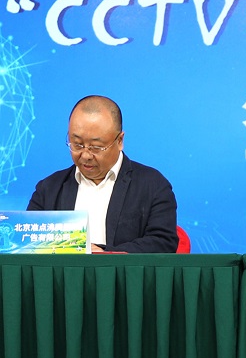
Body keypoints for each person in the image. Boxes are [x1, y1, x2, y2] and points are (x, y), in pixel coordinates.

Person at [26, 95, 179, 253]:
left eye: (96, 147)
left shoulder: (153, 186)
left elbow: (163, 243)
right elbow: (27, 244)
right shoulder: (49, 189)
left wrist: (103, 255)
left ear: (120, 141)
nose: (86, 155)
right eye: (77, 144)